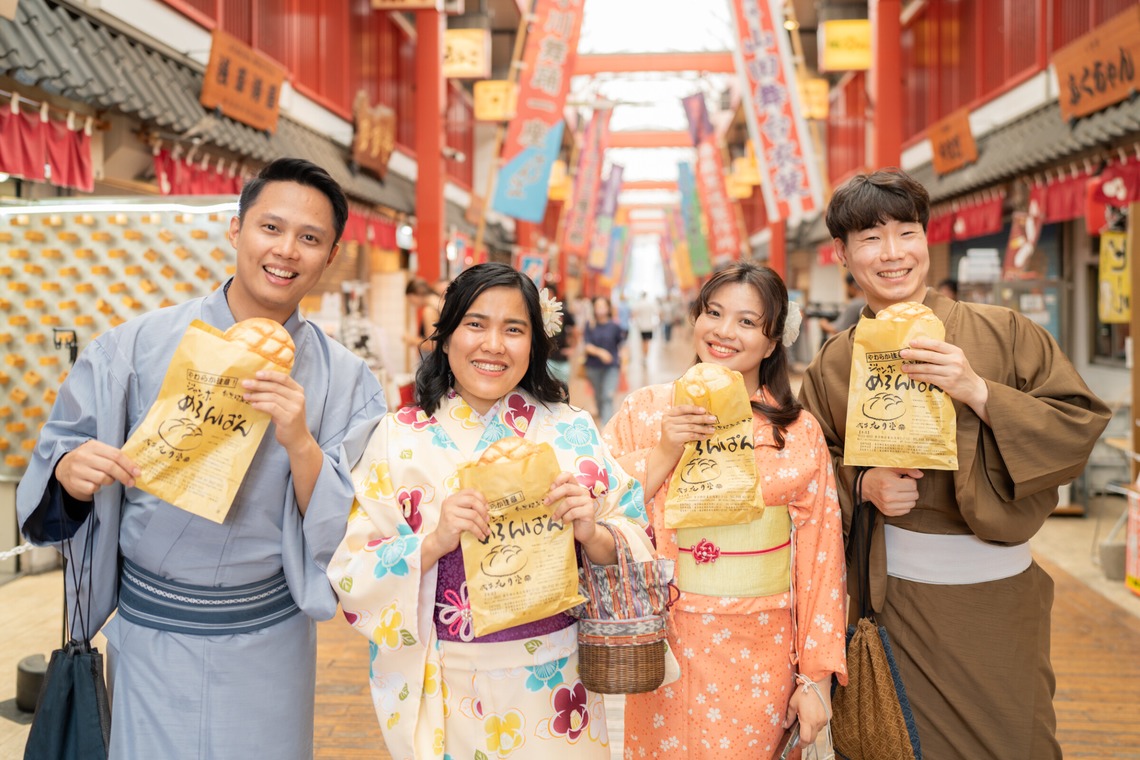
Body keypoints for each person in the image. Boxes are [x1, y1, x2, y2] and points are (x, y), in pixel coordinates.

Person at [16, 158, 388, 759]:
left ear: (330, 255)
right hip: (150, 636)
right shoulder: (135, 348)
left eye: (309, 238)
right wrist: (68, 475)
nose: (286, 250)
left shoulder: (347, 381)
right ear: (235, 230)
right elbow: (62, 451)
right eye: (271, 228)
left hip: (270, 638)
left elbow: (356, 526)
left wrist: (300, 441)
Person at [799, 169, 1111, 760]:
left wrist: (978, 390)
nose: (892, 255)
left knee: (1017, 740)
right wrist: (861, 484)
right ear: (841, 254)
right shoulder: (834, 363)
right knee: (899, 743)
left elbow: (1076, 424)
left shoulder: (1003, 331)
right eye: (869, 239)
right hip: (894, 601)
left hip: (999, 595)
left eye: (907, 233)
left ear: (927, 240)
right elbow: (809, 469)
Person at [327, 262, 652, 759]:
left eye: (514, 329)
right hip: (449, 677)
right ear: (447, 334)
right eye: (475, 324)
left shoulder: (572, 430)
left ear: (535, 344)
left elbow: (636, 534)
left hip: (556, 680)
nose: (493, 344)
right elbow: (352, 569)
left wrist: (593, 531)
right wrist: (433, 541)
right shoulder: (398, 438)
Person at [603, 262, 848, 758]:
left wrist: (816, 677)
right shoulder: (646, 411)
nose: (723, 332)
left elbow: (821, 558)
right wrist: (664, 451)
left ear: (774, 339)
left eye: (746, 322)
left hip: (761, 645)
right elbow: (600, 504)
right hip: (665, 642)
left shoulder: (795, 432)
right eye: (713, 313)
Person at [582, 296, 626, 424]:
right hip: (593, 367)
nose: (600, 309)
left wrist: (623, 363)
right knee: (598, 396)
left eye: (603, 306)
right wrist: (600, 352)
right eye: (597, 306)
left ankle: (606, 426)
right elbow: (587, 346)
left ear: (608, 308)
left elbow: (622, 345)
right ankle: (603, 417)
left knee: (607, 395)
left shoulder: (615, 326)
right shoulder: (590, 325)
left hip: (611, 367)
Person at [818, 272, 865, 343]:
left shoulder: (856, 304)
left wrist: (823, 324)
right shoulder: (865, 302)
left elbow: (839, 330)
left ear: (852, 285)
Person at [546, 288, 578, 390]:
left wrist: (573, 348)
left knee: (563, 389)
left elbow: (575, 330)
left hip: (562, 358)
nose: (547, 298)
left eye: (549, 295)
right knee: (546, 389)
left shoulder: (562, 311)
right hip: (546, 359)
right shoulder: (537, 312)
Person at [403, 277, 442, 358]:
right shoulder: (439, 301)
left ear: (416, 294)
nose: (412, 303)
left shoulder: (429, 310)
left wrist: (412, 340)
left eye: (410, 299)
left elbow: (432, 345)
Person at [631, 290, 661, 360]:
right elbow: (657, 312)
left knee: (643, 341)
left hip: (641, 326)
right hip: (649, 326)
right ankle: (645, 355)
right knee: (647, 341)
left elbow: (634, 314)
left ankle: (644, 355)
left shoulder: (639, 304)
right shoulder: (650, 303)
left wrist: (635, 322)